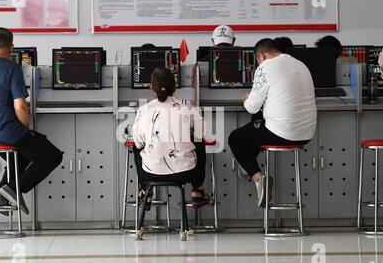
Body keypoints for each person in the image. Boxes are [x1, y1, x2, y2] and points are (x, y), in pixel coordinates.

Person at [0, 27, 63, 215]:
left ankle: (4, 192)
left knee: (20, 156)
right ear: (12, 47)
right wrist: (26, 128)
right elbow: (20, 106)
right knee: (52, 156)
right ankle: (12, 190)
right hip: (7, 134)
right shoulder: (11, 68)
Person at [228, 39, 317, 208]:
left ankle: (257, 177)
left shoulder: (265, 66)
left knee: (236, 138)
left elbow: (252, 107)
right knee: (257, 123)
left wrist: (246, 98)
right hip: (306, 134)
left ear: (261, 55)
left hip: (282, 133)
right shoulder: (300, 64)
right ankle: (247, 163)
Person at [132, 67, 209, 211]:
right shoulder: (186, 104)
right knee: (199, 142)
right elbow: (203, 131)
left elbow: (138, 142)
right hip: (186, 172)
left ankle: (145, 191)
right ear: (174, 86)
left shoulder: (144, 110)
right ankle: (197, 190)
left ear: (151, 88)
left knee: (136, 147)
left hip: (150, 173)